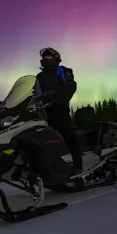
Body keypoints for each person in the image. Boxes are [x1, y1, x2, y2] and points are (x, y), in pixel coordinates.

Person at [35, 47, 83, 176]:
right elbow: (33, 93)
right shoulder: (39, 77)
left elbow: (70, 86)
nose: (46, 59)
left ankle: (78, 165)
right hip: (42, 113)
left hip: (59, 108)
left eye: (48, 57)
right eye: (44, 57)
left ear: (55, 58)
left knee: (68, 135)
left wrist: (57, 94)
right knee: (40, 139)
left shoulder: (62, 71)